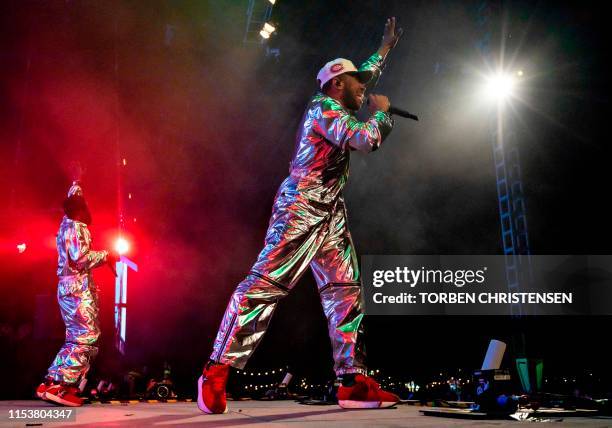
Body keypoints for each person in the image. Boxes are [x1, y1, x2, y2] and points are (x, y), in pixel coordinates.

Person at [198, 17, 403, 413]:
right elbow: (363, 140)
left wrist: (384, 49)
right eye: (358, 83)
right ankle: (216, 370)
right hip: (301, 206)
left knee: (345, 291)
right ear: (337, 83)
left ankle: (350, 381)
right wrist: (382, 114)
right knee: (266, 285)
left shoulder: (342, 95)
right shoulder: (323, 107)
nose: (366, 88)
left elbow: (365, 76)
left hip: (331, 211)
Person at [36, 181, 118, 406]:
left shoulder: (64, 226)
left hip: (66, 287)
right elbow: (80, 258)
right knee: (86, 337)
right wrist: (106, 255)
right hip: (77, 288)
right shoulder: (77, 226)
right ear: (80, 207)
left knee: (75, 337)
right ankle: (62, 386)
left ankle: (53, 381)